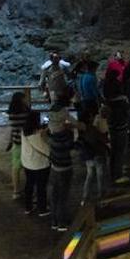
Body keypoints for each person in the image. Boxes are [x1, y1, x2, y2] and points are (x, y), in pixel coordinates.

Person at [47, 99, 77, 231]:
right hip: (65, 168)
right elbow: (72, 145)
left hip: (54, 167)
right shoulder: (66, 136)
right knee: (63, 196)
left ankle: (54, 221)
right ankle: (62, 223)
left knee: (55, 195)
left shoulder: (50, 136)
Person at [103, 69, 130, 185]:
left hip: (110, 125)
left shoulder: (107, 97)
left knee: (113, 151)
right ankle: (118, 175)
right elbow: (129, 113)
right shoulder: (122, 100)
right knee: (120, 151)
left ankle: (111, 173)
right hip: (121, 126)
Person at [20, 111, 50, 216]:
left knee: (29, 184)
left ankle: (28, 206)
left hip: (27, 163)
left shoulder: (24, 130)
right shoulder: (34, 134)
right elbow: (44, 148)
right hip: (39, 164)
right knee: (41, 186)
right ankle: (42, 209)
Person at [78, 108, 110, 205]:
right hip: (98, 155)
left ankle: (84, 198)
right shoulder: (93, 129)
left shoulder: (81, 130)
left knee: (89, 176)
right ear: (89, 118)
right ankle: (102, 199)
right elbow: (103, 139)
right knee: (100, 177)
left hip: (88, 157)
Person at [5, 92, 30, 199]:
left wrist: (10, 142)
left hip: (16, 142)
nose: (26, 100)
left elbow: (13, 129)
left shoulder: (11, 114)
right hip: (27, 143)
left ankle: (16, 191)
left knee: (15, 168)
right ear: (21, 100)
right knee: (28, 167)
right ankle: (30, 191)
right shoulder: (26, 114)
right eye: (25, 99)